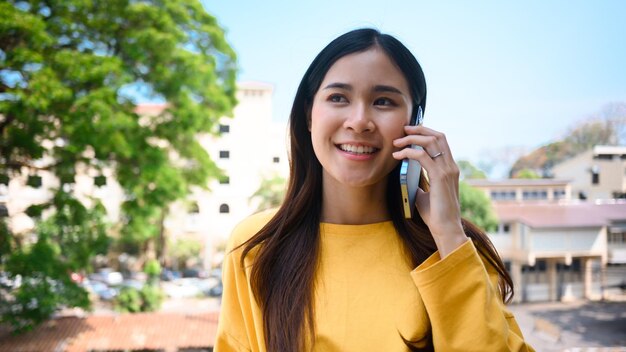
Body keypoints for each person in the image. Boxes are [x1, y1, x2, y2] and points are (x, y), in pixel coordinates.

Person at [215, 28, 534, 352]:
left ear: (415, 121)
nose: (359, 121)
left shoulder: (457, 249)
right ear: (309, 114)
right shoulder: (257, 245)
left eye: (383, 101)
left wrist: (449, 234)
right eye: (338, 97)